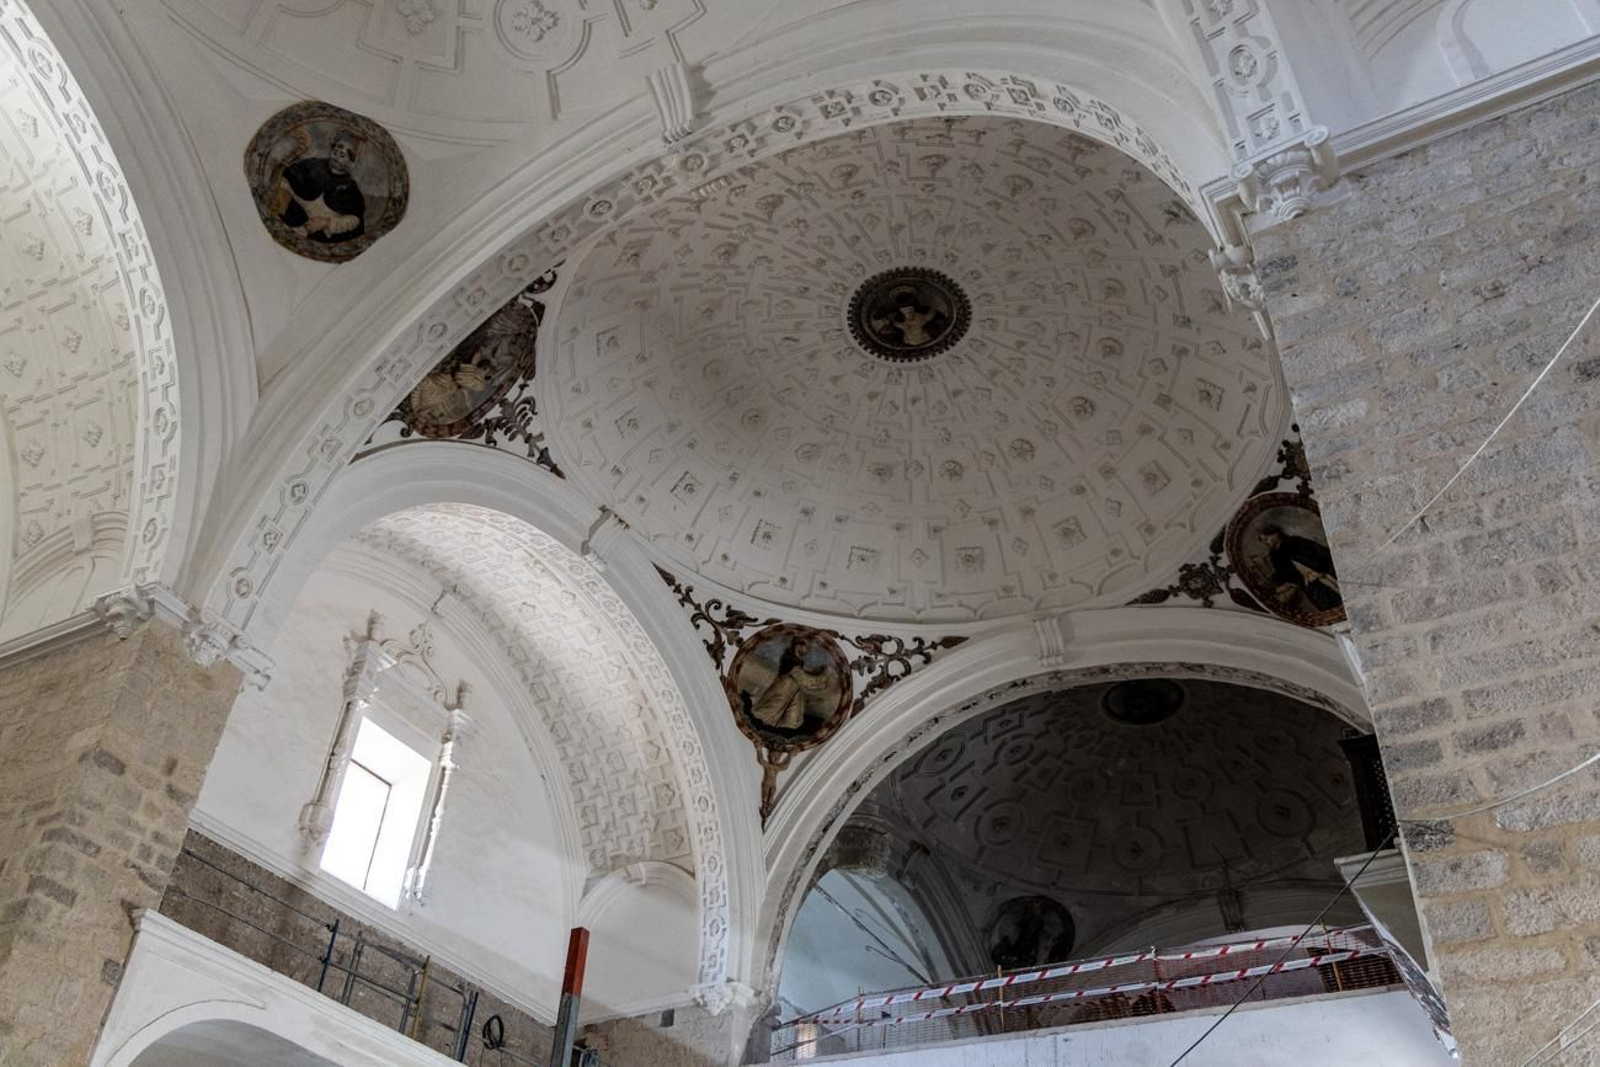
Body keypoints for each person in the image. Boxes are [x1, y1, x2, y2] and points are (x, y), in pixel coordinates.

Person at [273, 130, 367, 243]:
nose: (336, 157)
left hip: (319, 233)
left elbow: (354, 220)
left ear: (350, 162)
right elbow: (287, 177)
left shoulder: (350, 187)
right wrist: (282, 196)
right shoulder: (313, 165)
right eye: (336, 151)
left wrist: (326, 222)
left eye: (342, 155)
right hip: (293, 214)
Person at [747, 637, 833, 731]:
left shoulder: (796, 660)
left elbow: (802, 677)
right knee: (766, 714)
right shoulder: (791, 660)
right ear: (798, 645)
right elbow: (805, 680)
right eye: (806, 647)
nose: (808, 650)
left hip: (790, 692)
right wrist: (825, 675)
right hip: (783, 691)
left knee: (789, 721)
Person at [1260, 523, 1341, 611]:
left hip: (1326, 574)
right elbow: (1284, 576)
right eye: (1264, 540)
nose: (1266, 542)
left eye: (1267, 538)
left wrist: (1320, 569)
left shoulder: (1295, 541)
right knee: (1329, 607)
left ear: (1276, 534)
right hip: (1311, 586)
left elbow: (1321, 551)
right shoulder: (1274, 556)